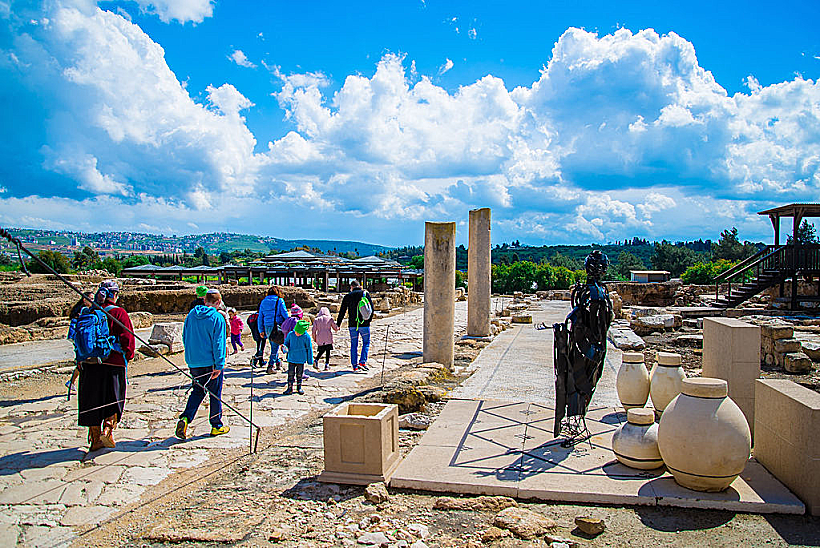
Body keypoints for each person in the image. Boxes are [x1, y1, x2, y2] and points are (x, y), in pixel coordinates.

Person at [77, 280, 135, 451]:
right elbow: (127, 338)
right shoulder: (118, 313)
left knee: (92, 400)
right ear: (114, 295)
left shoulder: (89, 312)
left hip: (90, 364)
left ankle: (95, 438)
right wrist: (128, 355)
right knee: (113, 398)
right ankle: (108, 430)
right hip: (113, 363)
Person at [175, 289, 230, 439]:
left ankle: (185, 418)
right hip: (210, 362)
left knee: (198, 391)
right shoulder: (217, 318)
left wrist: (189, 358)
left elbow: (185, 336)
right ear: (218, 303)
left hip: (194, 361)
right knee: (215, 394)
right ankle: (216, 425)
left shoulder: (191, 315)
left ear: (204, 301)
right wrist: (219, 364)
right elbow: (219, 343)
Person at [337, 280, 375, 372]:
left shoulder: (348, 296)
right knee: (366, 342)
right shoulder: (365, 294)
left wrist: (338, 324)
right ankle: (362, 362)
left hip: (352, 325)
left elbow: (342, 311)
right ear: (360, 286)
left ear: (351, 287)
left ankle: (355, 366)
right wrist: (368, 320)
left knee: (354, 344)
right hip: (364, 324)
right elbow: (371, 309)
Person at [66, 291, 93, 399]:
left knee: (82, 362)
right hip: (82, 340)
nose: (92, 300)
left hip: (83, 339)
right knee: (83, 362)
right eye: (90, 298)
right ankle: (72, 382)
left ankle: (72, 382)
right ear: (84, 300)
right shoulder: (83, 312)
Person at [257, 286, 288, 374]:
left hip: (267, 326)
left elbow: (260, 317)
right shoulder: (279, 301)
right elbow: (285, 314)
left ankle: (278, 362)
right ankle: (270, 366)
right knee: (275, 347)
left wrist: (261, 330)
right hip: (277, 326)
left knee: (274, 344)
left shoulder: (263, 302)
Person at [282, 318, 313, 395]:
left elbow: (309, 349)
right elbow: (286, 343)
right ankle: (289, 388)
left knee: (299, 374)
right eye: (296, 332)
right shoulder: (290, 334)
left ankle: (299, 387)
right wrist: (284, 348)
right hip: (291, 358)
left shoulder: (306, 337)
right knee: (290, 374)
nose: (297, 334)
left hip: (301, 359)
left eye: (299, 333)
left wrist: (310, 360)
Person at [312, 306, 339, 371]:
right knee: (327, 351)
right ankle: (327, 364)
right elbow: (335, 328)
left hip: (320, 337)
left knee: (321, 350)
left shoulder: (316, 320)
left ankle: (316, 360)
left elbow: (313, 331)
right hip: (328, 337)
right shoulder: (330, 319)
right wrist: (338, 328)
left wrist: (314, 338)